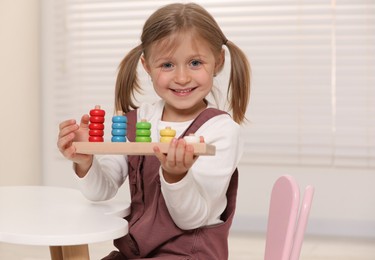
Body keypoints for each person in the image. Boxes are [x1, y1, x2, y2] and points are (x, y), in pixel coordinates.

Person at [57, 2, 250, 259]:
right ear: (147, 66)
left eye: (195, 62)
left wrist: (176, 177)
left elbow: (191, 219)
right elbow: (101, 191)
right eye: (167, 65)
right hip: (136, 252)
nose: (182, 77)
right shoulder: (138, 122)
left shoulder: (221, 131)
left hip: (190, 253)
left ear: (218, 61)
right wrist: (85, 161)